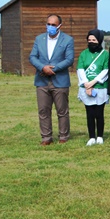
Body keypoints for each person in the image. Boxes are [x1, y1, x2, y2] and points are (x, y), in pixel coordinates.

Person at [29, 13, 74, 145]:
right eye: (48, 24)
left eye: (53, 25)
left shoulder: (67, 40)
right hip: (41, 80)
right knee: (43, 110)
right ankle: (46, 137)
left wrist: (53, 69)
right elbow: (32, 57)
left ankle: (64, 136)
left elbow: (69, 59)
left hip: (60, 81)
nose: (50, 27)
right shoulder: (39, 39)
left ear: (60, 25)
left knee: (62, 110)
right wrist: (43, 68)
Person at [76, 29, 109, 146]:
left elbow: (105, 70)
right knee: (89, 113)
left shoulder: (105, 54)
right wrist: (86, 83)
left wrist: (94, 82)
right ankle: (91, 137)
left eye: (94, 40)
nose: (91, 42)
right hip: (86, 88)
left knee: (99, 113)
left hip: (100, 87)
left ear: (99, 40)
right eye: (89, 40)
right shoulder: (84, 54)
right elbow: (80, 69)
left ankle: (100, 136)